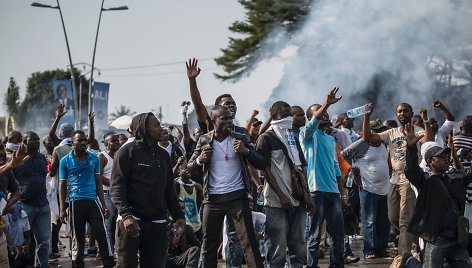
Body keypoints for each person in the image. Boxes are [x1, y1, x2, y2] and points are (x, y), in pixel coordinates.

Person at [187, 105, 265, 268]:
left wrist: (246, 151)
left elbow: (260, 161)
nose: (229, 121)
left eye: (230, 118)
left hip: (237, 198)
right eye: (224, 118)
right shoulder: (204, 140)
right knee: (209, 245)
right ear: (214, 121)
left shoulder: (241, 138)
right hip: (213, 200)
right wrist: (200, 160)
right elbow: (188, 168)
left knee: (248, 243)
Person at [111, 113, 185, 268]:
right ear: (144, 128)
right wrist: (126, 215)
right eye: (156, 125)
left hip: (157, 222)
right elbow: (117, 186)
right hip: (132, 221)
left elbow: (169, 189)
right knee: (126, 265)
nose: (161, 128)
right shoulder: (126, 152)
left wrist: (179, 215)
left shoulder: (163, 155)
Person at [362, 103, 433, 257]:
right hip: (394, 178)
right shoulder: (391, 132)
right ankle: (419, 243)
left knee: (405, 221)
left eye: (405, 111)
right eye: (399, 111)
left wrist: (425, 121)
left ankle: (403, 258)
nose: (402, 113)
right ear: (396, 114)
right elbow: (367, 137)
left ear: (411, 113)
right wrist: (367, 116)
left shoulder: (417, 130)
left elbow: (428, 142)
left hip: (410, 179)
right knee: (393, 217)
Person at [399, 124, 472, 268]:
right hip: (437, 239)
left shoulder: (456, 178)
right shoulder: (425, 181)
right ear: (431, 161)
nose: (446, 159)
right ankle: (409, 261)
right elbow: (412, 169)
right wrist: (411, 149)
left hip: (457, 238)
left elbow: (468, 172)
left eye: (446, 155)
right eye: (441, 156)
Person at [255, 101, 313, 267]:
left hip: (297, 200)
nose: (288, 119)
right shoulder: (266, 139)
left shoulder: (292, 138)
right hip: (276, 202)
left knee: (299, 244)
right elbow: (266, 170)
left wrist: (307, 197)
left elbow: (301, 169)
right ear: (273, 117)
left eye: (290, 115)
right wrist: (281, 195)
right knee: (276, 246)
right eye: (284, 115)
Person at [300, 87, 349, 268]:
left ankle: (337, 265)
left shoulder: (329, 139)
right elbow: (313, 123)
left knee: (337, 234)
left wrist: (342, 191)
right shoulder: (307, 136)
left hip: (333, 192)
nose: (326, 114)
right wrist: (327, 103)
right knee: (313, 234)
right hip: (316, 191)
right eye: (321, 112)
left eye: (326, 112)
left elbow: (336, 167)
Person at [58, 130, 115, 268]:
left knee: (101, 233)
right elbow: (62, 185)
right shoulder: (65, 161)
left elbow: (98, 182)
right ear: (73, 143)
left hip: (92, 200)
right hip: (75, 202)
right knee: (78, 238)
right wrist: (62, 209)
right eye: (79, 140)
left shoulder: (93, 158)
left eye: (85, 140)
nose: (83, 142)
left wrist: (103, 204)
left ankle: (108, 263)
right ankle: (77, 264)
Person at [342, 120, 391, 258]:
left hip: (384, 187)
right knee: (369, 220)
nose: (380, 133)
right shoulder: (361, 144)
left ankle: (381, 248)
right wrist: (353, 171)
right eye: (377, 130)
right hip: (367, 187)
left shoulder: (383, 143)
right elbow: (343, 155)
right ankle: (369, 249)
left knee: (383, 220)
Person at [13, 131, 50, 268]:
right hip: (24, 206)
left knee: (44, 243)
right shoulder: (18, 160)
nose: (36, 141)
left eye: (37, 139)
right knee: (24, 243)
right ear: (24, 142)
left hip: (42, 206)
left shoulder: (41, 158)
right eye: (32, 139)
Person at [186, 58, 247, 135]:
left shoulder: (242, 132)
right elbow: (198, 107)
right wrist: (192, 80)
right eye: (227, 103)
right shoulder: (211, 126)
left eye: (233, 104)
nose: (231, 106)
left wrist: (242, 147)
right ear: (217, 109)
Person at [0, 142, 24, 268]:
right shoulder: (7, 168)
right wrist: (10, 165)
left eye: (1, 148)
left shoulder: (7, 171)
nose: (1, 152)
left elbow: (17, 191)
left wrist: (11, 201)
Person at [99, 132, 120, 254]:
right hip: (107, 194)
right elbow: (99, 176)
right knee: (109, 224)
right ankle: (109, 253)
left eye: (117, 140)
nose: (116, 142)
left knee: (120, 224)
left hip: (120, 193)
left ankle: (119, 251)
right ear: (106, 143)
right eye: (113, 141)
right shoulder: (102, 156)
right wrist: (113, 184)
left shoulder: (120, 155)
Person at [166, 201, 201, 268]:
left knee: (195, 249)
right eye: (178, 208)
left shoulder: (187, 228)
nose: (180, 210)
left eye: (182, 208)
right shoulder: (164, 226)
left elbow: (197, 246)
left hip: (180, 258)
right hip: (166, 258)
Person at [174, 158, 203, 239]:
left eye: (188, 168)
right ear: (178, 172)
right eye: (184, 168)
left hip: (196, 223)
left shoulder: (197, 186)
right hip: (182, 224)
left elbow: (205, 201)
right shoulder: (177, 184)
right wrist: (178, 164)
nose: (187, 170)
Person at [5, 202, 32, 268]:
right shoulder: (3, 217)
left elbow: (28, 236)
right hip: (8, 250)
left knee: (29, 261)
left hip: (20, 249)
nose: (17, 205)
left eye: (19, 203)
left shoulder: (23, 214)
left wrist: (27, 245)